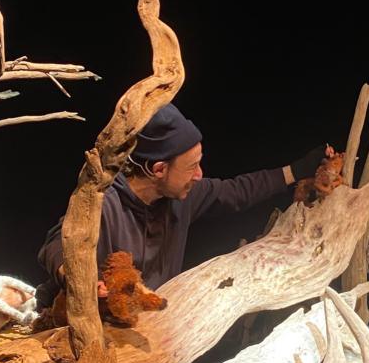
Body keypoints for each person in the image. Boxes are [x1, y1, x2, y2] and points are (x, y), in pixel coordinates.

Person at [36, 103, 326, 307]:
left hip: (148, 323)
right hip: (97, 326)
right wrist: (76, 277)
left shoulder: (181, 198)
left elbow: (236, 191)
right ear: (159, 169)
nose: (199, 175)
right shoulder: (105, 203)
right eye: (191, 167)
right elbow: (56, 243)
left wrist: (297, 170)